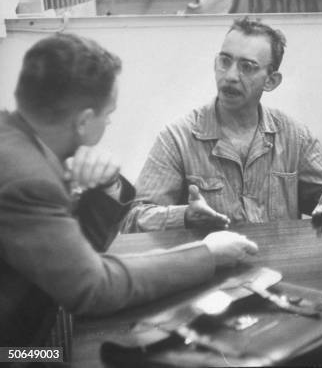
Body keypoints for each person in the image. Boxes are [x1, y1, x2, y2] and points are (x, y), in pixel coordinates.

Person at [0, 33, 258, 346]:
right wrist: (207, 255)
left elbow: (81, 259)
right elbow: (94, 287)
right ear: (83, 121)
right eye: (109, 114)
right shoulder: (29, 179)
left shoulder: (16, 140)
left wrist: (105, 187)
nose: (109, 123)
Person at [123, 17, 322, 232]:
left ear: (270, 81)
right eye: (225, 62)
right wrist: (184, 216)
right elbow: (135, 218)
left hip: (281, 268)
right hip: (212, 273)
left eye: (247, 67)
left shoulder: (293, 135)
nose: (230, 76)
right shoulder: (177, 138)